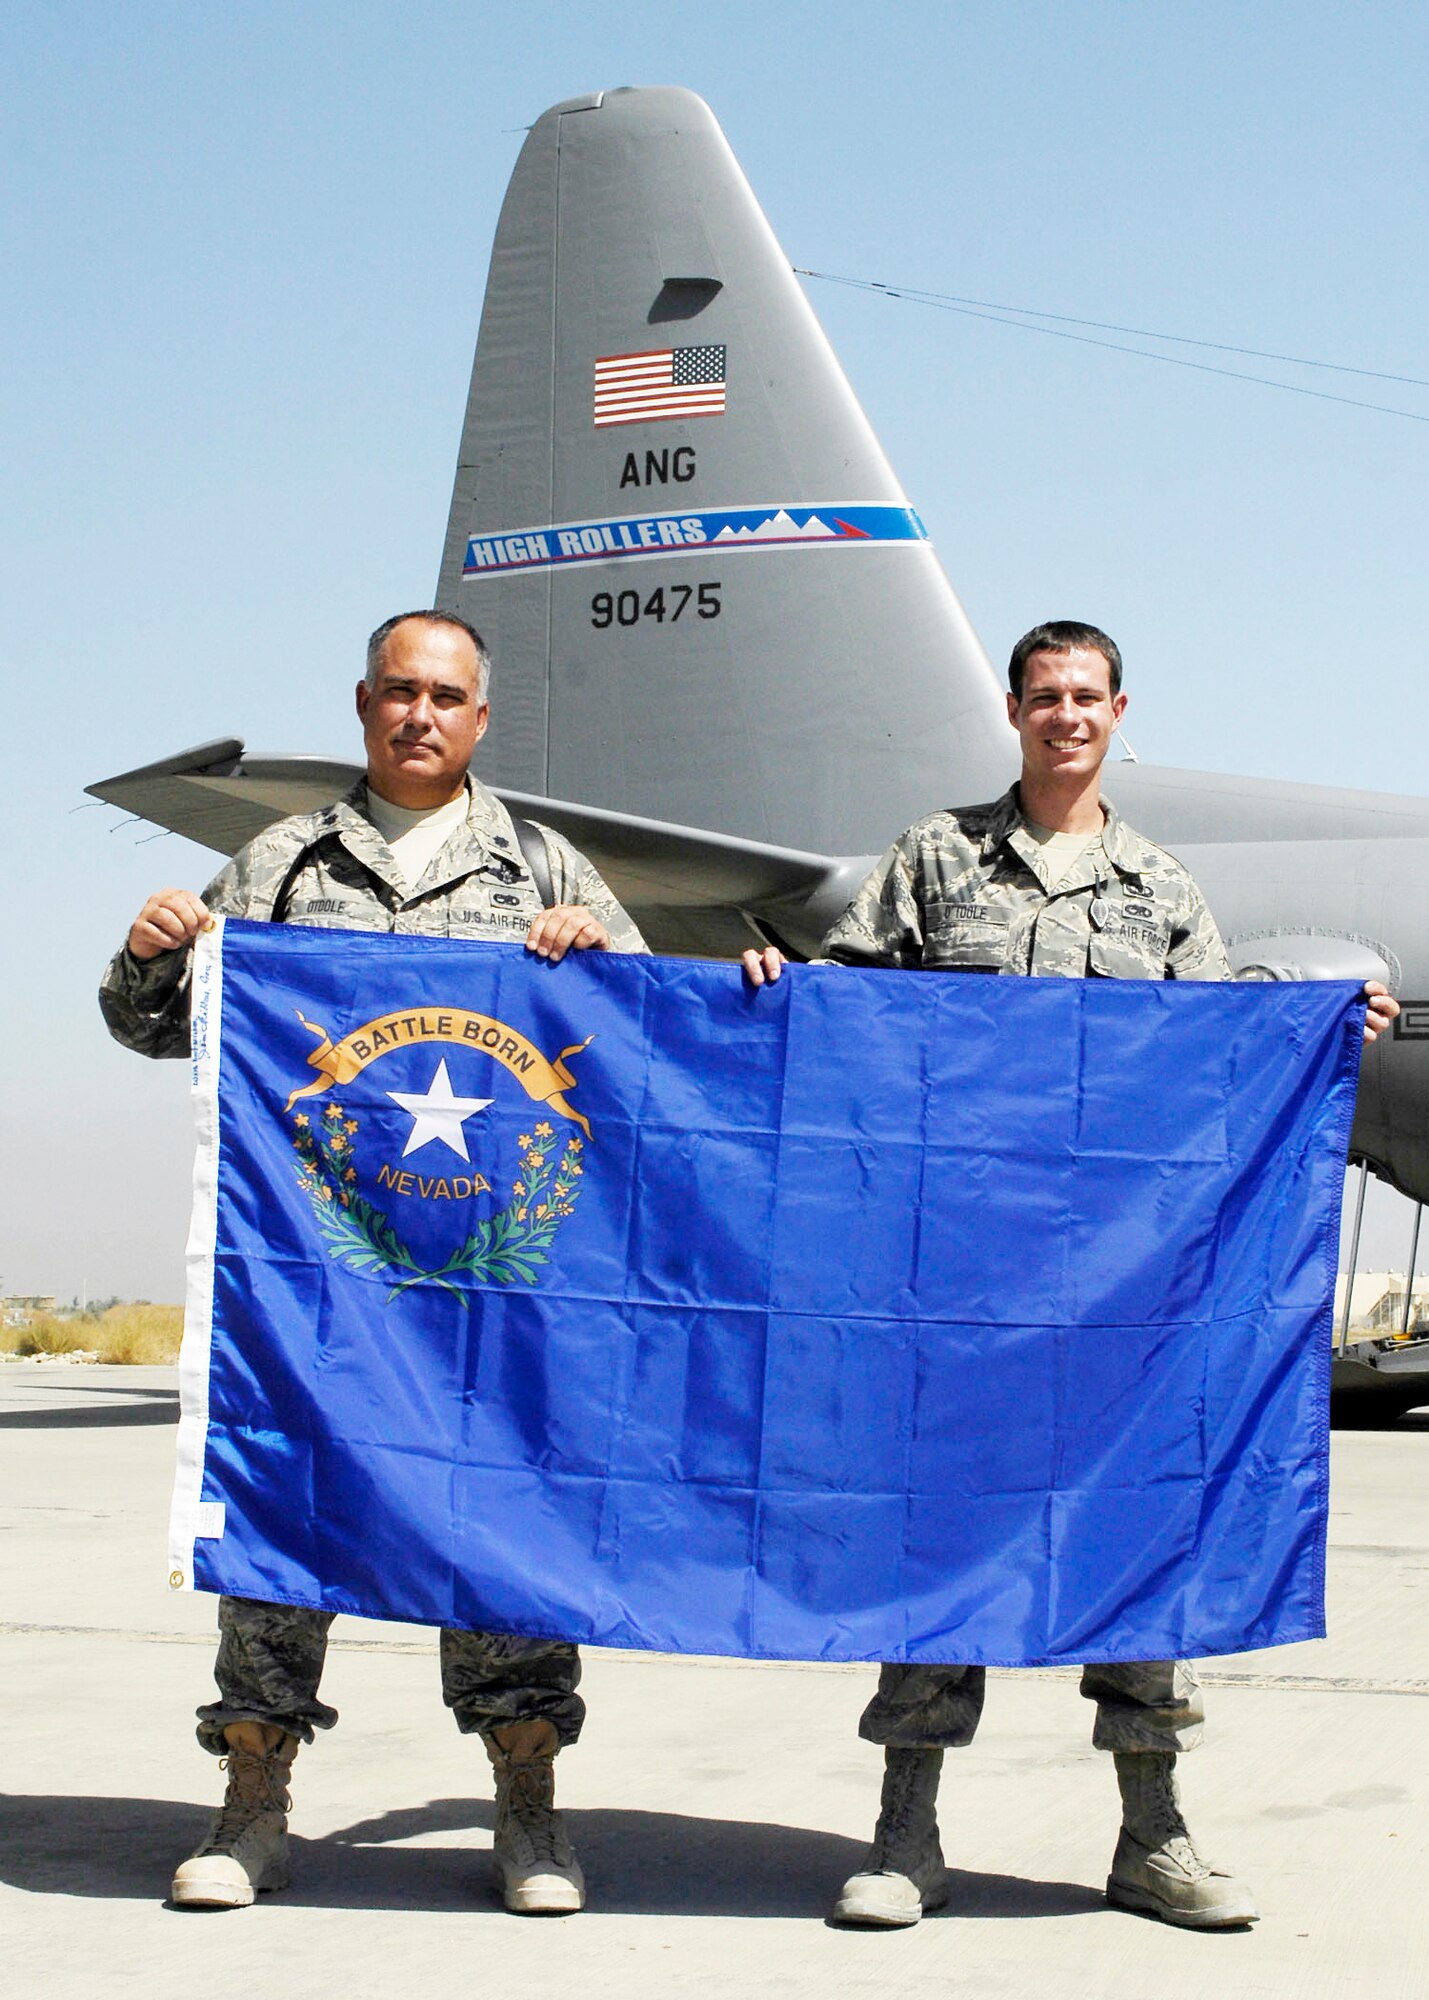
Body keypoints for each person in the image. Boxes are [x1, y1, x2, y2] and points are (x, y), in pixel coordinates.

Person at [742, 619, 1398, 1934]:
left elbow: (1217, 1062)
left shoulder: (1158, 889)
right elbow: (842, 1013)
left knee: (1137, 1548)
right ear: (1014, 709)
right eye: (1042, 697)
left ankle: (1151, 1837)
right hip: (961, 1291)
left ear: (1114, 711)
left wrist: (1320, 1031)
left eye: (1083, 697)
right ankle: (903, 1838)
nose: (1062, 717)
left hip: (1117, 1303)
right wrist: (774, 979)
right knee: (939, 1555)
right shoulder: (934, 859)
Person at [101, 609, 647, 1915]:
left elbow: (643, 1043)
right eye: (398, 692)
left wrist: (597, 960)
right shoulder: (280, 866)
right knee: (279, 1524)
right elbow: (159, 1031)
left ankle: (526, 1814)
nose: (420, 715)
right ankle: (251, 1804)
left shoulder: (541, 868)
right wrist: (146, 955)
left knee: (502, 1537)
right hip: (314, 1285)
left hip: (486, 1291)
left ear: (479, 719)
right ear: (363, 705)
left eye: (445, 697)